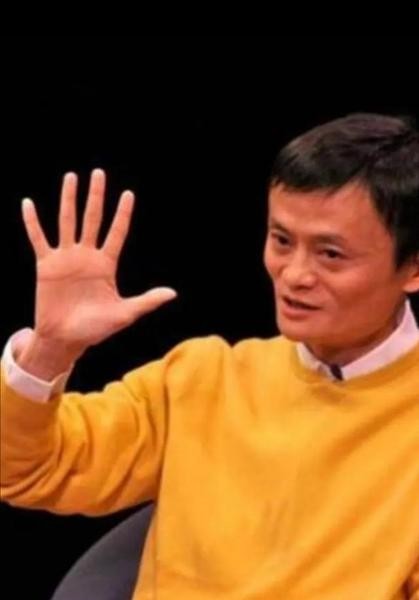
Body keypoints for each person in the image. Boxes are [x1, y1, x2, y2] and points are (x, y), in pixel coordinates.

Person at [1, 113, 419, 599]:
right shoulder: (201, 379)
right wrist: (49, 351)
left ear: (413, 268)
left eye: (330, 255)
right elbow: (25, 470)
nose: (293, 275)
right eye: (282, 241)